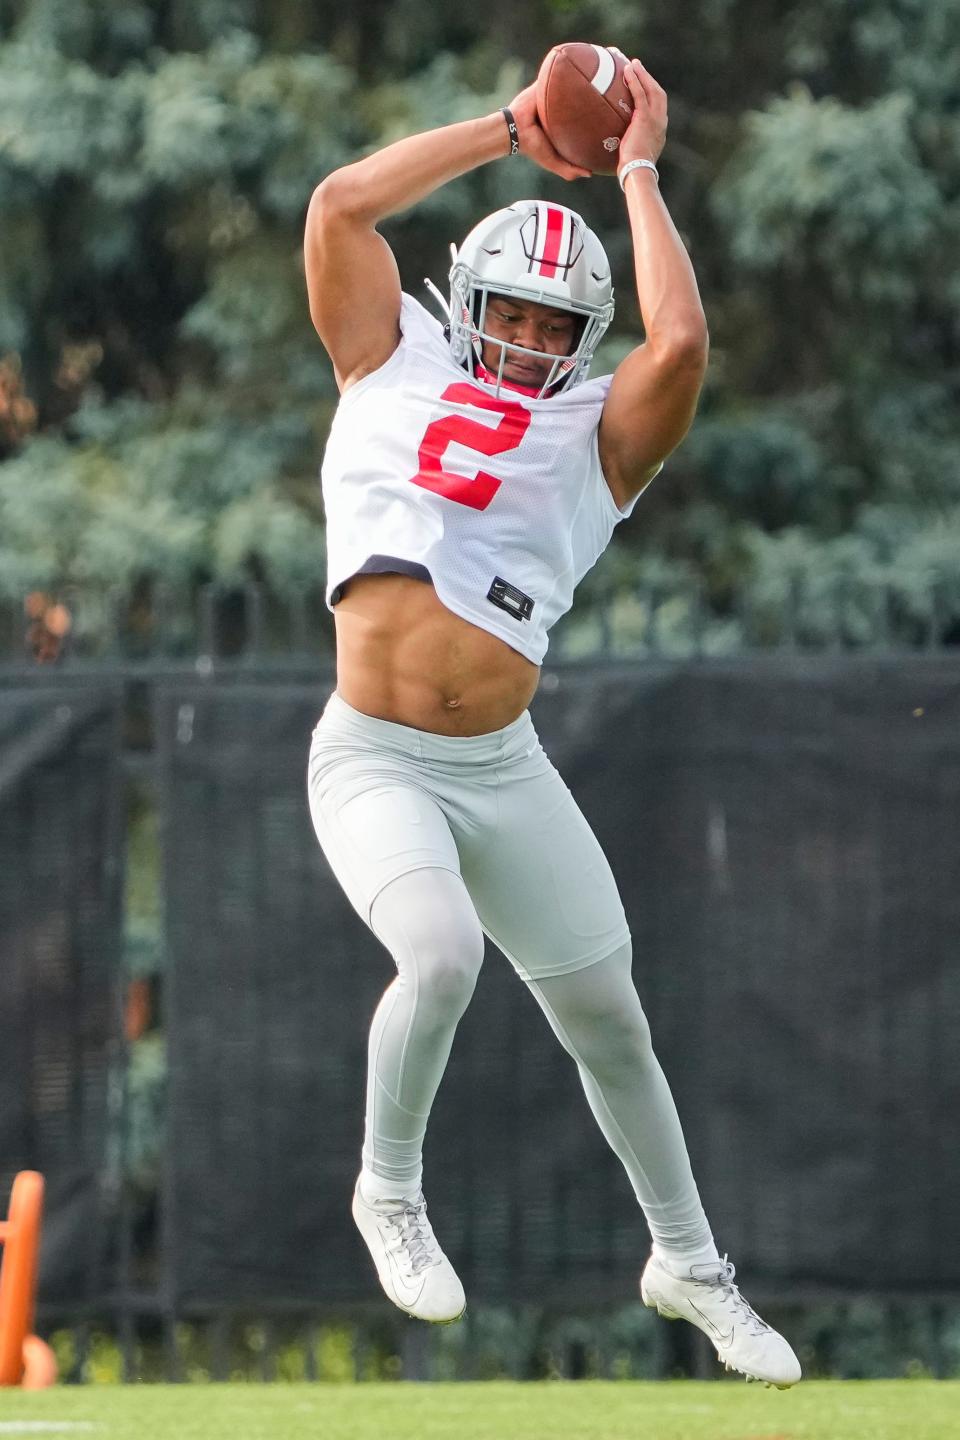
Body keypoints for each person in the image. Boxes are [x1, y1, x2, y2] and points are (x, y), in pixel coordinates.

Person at [303, 57, 801, 1388]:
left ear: (580, 339)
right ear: (465, 299)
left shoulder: (595, 429)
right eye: (508, 312)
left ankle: (690, 1264)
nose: (526, 340)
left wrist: (636, 167)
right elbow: (341, 206)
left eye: (550, 325)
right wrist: (512, 132)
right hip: (374, 756)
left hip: (499, 766)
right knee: (444, 955)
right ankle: (389, 1190)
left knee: (610, 1017)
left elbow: (681, 344)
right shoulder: (385, 353)